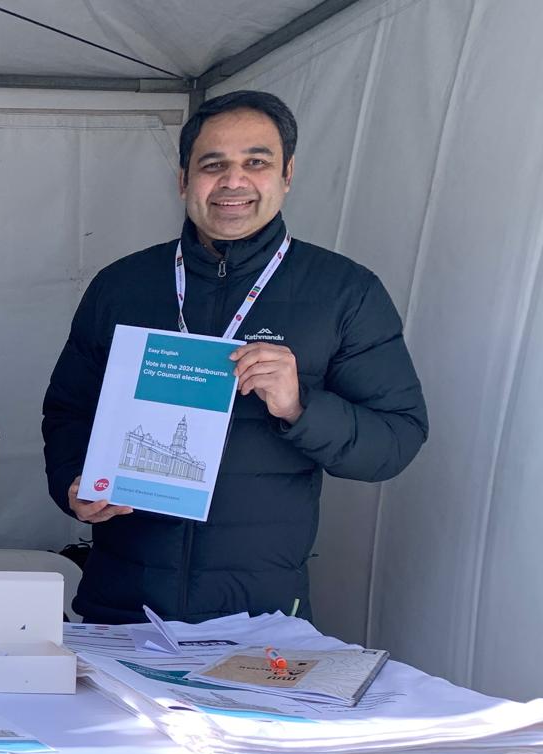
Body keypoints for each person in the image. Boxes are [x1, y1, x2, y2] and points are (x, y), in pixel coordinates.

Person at [41, 90, 427, 624]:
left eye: (256, 162)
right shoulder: (121, 285)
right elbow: (67, 411)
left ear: (287, 174)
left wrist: (299, 406)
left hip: (260, 614)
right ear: (183, 180)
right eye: (212, 165)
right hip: (123, 602)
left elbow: (396, 440)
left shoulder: (345, 292)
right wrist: (72, 482)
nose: (233, 181)